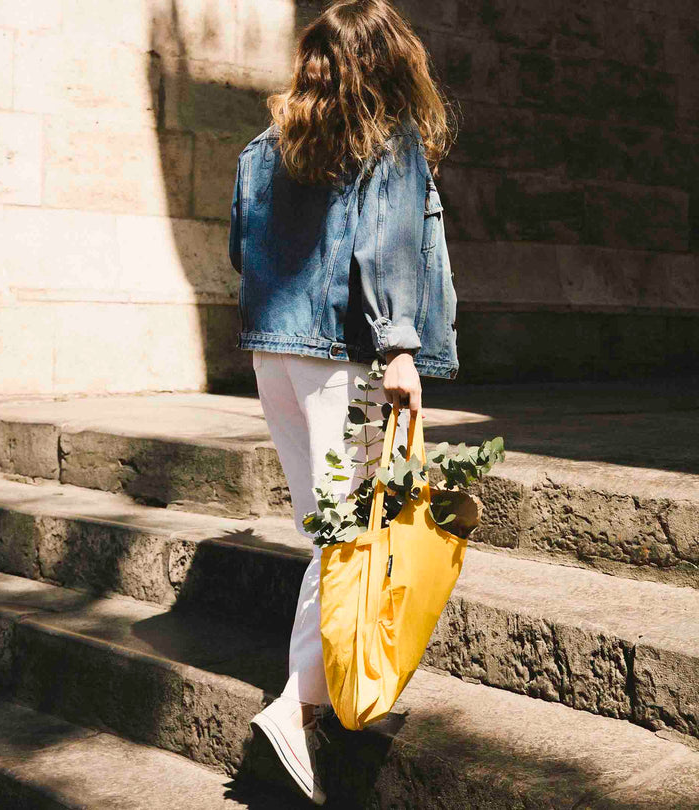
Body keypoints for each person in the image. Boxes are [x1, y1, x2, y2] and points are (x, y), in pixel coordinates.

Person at [228, 0, 458, 802]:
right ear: (390, 59)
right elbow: (384, 246)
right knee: (345, 532)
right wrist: (400, 349)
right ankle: (298, 708)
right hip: (341, 359)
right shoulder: (387, 135)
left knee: (328, 528)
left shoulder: (264, 146)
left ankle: (317, 700)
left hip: (274, 354)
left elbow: (239, 249)